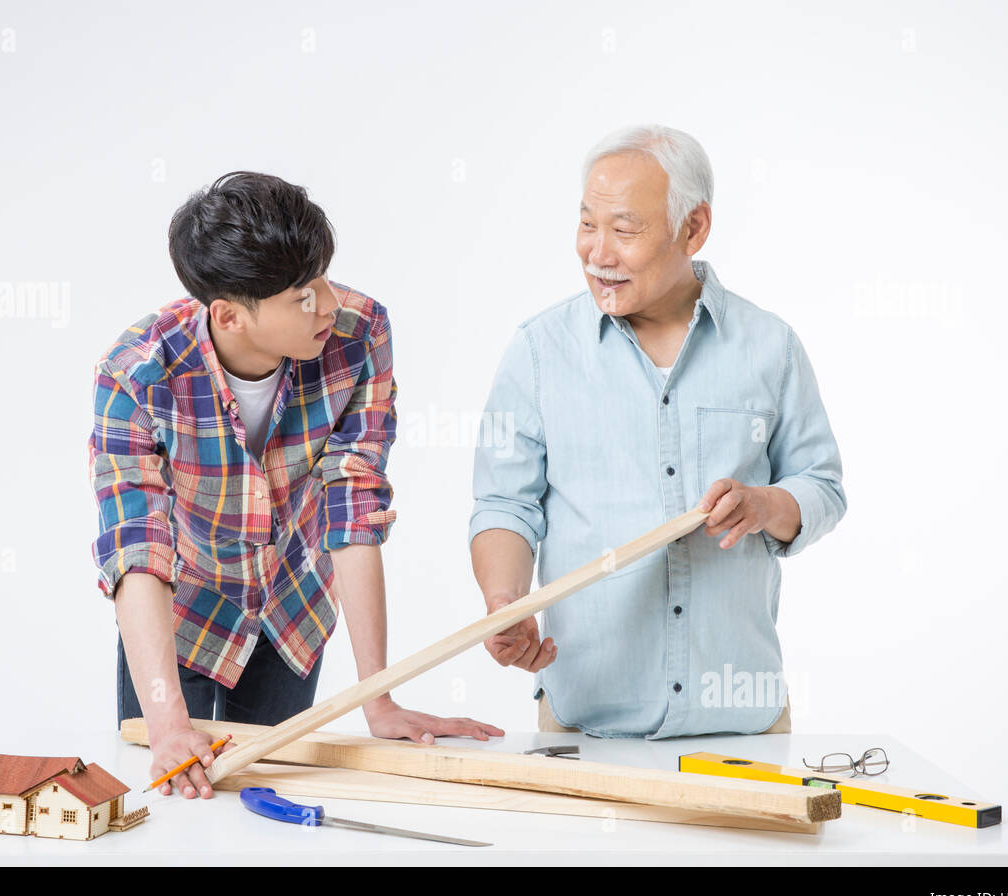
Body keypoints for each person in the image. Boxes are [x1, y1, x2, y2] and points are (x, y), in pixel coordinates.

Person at [89, 171, 502, 800]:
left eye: (325, 279)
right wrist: (166, 720)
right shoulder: (136, 373)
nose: (329, 306)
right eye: (301, 296)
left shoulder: (360, 334)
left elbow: (352, 503)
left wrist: (378, 699)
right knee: (178, 807)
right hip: (181, 622)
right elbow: (136, 544)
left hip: (291, 612)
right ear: (227, 315)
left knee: (269, 808)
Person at [469, 126, 846, 737]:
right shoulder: (539, 351)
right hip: (584, 718)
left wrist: (766, 504)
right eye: (587, 224)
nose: (597, 253)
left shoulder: (770, 346)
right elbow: (504, 505)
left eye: (624, 230)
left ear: (693, 228)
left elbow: (822, 487)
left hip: (741, 721)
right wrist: (504, 602)